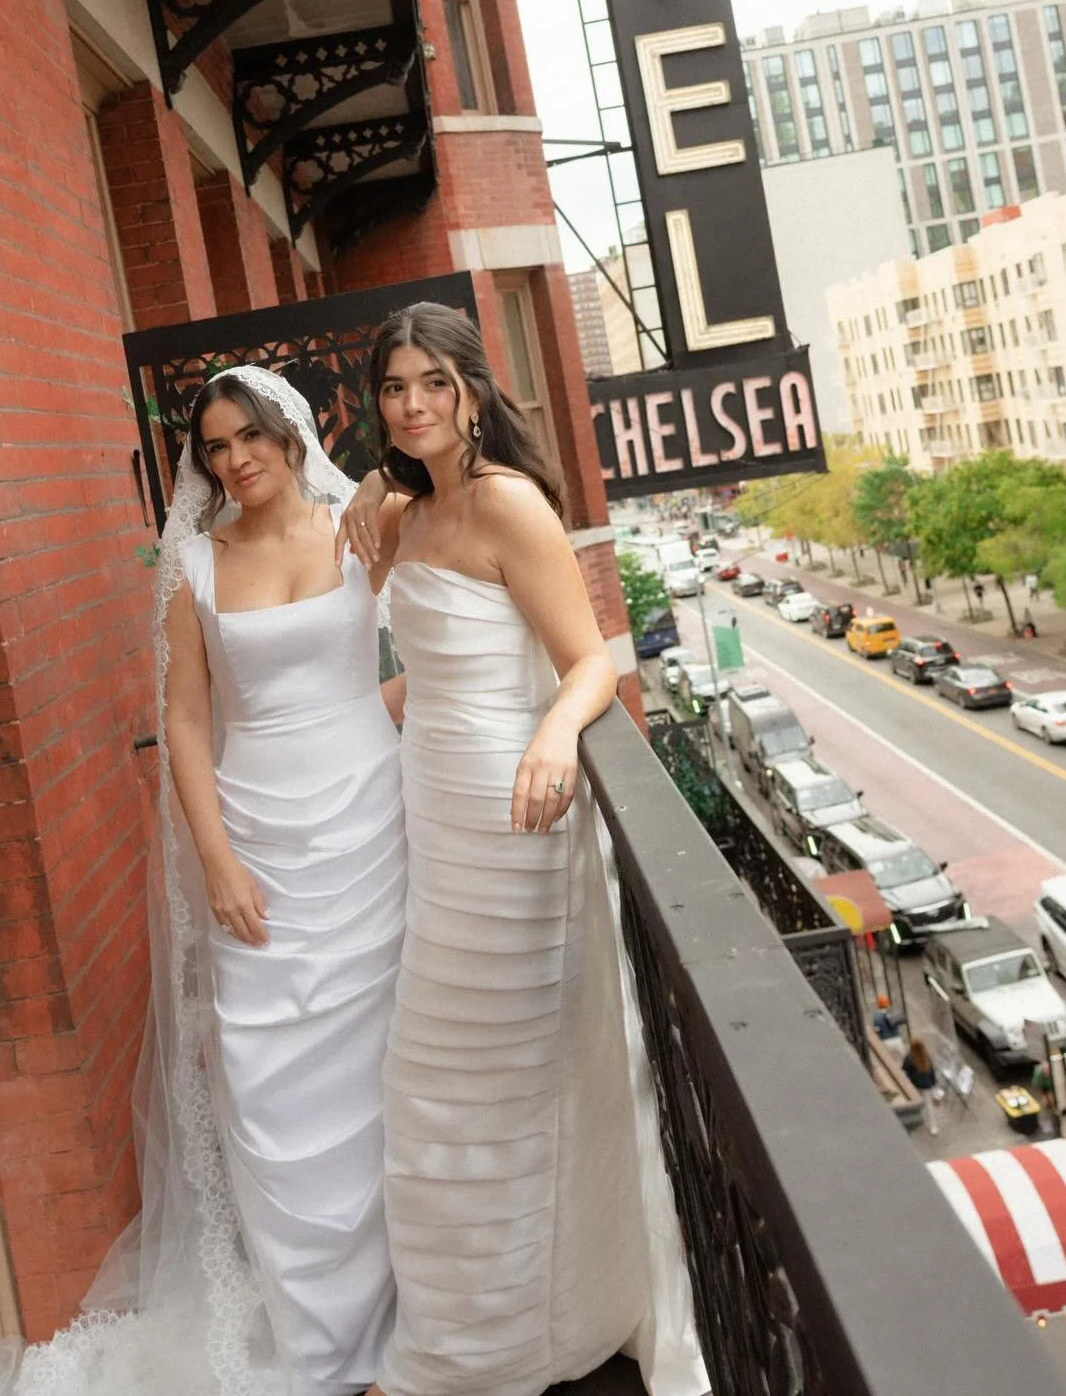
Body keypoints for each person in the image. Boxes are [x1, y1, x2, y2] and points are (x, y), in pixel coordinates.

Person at [0, 367, 407, 1396]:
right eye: (214, 446)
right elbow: (191, 722)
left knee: (387, 1072)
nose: (235, 458)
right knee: (271, 1083)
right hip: (254, 835)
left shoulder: (360, 526)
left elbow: (434, 621)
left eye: (250, 435)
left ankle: (409, 1330)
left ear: (291, 434)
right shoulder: (194, 562)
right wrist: (217, 859)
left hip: (370, 827)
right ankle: (325, 1350)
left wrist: (410, 698)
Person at [342, 303, 705, 1396]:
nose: (412, 404)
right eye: (395, 387)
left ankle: (527, 1326)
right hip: (438, 814)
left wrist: (555, 732)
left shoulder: (509, 503)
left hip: (519, 814)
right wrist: (370, 494)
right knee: (433, 1086)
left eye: (431, 383)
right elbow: (421, 670)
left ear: (472, 389)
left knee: (517, 1072)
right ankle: (467, 1335)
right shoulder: (407, 513)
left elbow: (587, 660)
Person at [903, 1038, 941, 1135]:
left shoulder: (909, 1058)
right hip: (927, 1085)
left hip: (915, 1085)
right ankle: (933, 1127)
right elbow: (932, 1072)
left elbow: (904, 1071)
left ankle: (919, 1118)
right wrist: (933, 1083)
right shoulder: (926, 1057)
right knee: (929, 1106)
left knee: (917, 1102)